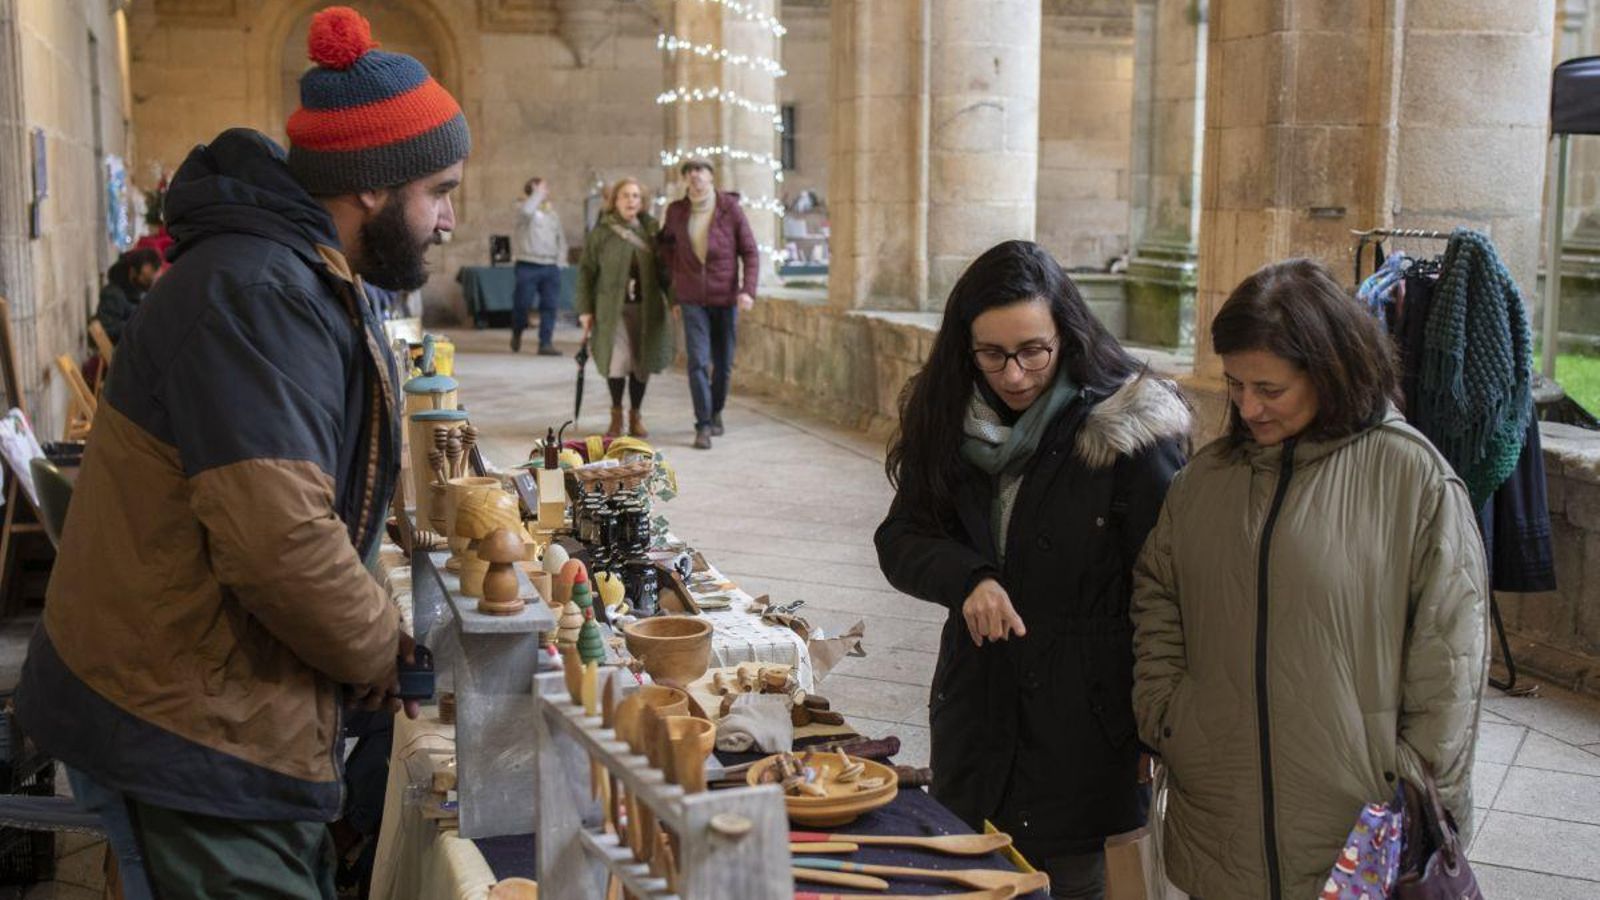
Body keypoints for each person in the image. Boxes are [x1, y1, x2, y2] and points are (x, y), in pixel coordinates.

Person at [14, 7, 468, 898]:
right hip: (182, 718)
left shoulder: (293, 274)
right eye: (439, 190)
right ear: (372, 186)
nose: (450, 218)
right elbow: (281, 544)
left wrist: (370, 649)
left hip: (206, 693)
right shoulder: (257, 293)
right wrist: (387, 654)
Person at [1131, 259, 1489, 900]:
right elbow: (1159, 593)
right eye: (1236, 385)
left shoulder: (1413, 479)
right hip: (1219, 808)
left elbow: (1451, 661)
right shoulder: (1205, 482)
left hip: (1358, 825)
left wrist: (1406, 782)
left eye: (1270, 389)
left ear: (1331, 369)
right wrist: (1166, 714)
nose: (1248, 407)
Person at [875, 241, 1190, 899]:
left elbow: (1168, 591)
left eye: (1033, 352)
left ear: (1067, 337)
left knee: (1069, 884)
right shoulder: (948, 416)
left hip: (1085, 730)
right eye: (991, 354)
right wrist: (969, 578)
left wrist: (1156, 724)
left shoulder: (1126, 431)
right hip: (977, 713)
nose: (1014, 375)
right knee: (975, 881)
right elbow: (903, 537)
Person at [657, 159, 759, 449]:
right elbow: (666, 249)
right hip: (692, 300)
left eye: (701, 171)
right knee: (698, 361)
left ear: (712, 177)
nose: (695, 176)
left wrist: (747, 290)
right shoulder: (677, 211)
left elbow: (750, 252)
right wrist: (675, 290)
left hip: (725, 298)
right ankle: (702, 424)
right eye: (690, 172)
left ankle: (716, 412)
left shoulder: (730, 209)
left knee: (724, 364)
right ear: (686, 179)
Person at [576, 177, 674, 439]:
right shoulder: (602, 233)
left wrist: (675, 300)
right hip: (612, 310)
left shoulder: (652, 233)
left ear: (642, 203)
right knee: (617, 363)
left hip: (646, 308)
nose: (631, 200)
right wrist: (585, 310)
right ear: (614, 201)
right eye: (625, 196)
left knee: (641, 364)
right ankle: (617, 415)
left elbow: (666, 271)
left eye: (635, 196)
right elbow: (586, 272)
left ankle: (636, 416)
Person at [511, 176, 568, 355]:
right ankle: (517, 331)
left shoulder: (551, 213)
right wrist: (536, 194)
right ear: (533, 188)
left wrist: (560, 260)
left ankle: (545, 343)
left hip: (550, 265)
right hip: (528, 264)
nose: (547, 190)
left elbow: (560, 237)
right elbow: (527, 212)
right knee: (522, 304)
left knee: (550, 305)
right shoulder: (523, 207)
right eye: (543, 187)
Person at [95, 247, 161, 344]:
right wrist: (140, 326)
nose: (148, 285)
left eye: (150, 281)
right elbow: (106, 328)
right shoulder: (113, 294)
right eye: (145, 279)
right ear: (133, 271)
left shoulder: (139, 292)